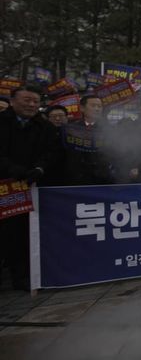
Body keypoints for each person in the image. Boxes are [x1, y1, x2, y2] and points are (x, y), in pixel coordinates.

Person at [0, 86, 60, 290]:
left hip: (34, 185)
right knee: (9, 233)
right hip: (7, 186)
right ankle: (14, 275)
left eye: (35, 101)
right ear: (13, 100)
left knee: (30, 231)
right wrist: (14, 170)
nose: (32, 105)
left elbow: (53, 152)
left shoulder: (45, 127)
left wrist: (40, 168)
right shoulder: (2, 122)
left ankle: (29, 274)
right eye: (27, 100)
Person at [62, 95, 114, 186]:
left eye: (99, 106)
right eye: (93, 106)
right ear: (82, 108)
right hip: (76, 177)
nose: (97, 109)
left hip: (101, 177)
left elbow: (114, 151)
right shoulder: (71, 128)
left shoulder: (109, 129)